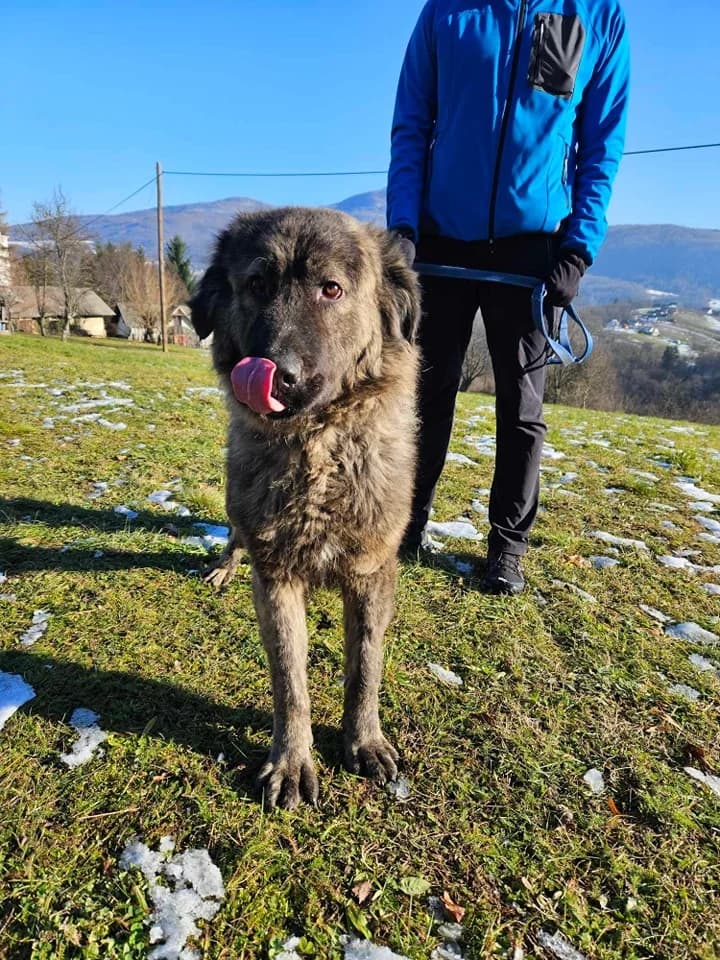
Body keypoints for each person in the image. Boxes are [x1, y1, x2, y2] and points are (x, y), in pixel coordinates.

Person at [387, 0, 630, 594]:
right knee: (425, 393)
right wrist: (403, 225)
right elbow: (412, 120)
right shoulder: (447, 10)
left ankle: (506, 550)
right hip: (441, 239)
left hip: (533, 248)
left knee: (521, 409)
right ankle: (404, 526)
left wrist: (579, 246)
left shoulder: (597, 16)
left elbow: (602, 144)